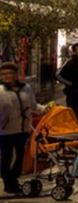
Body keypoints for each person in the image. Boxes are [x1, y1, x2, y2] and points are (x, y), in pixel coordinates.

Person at [0, 62, 49, 194]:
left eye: (8, 73)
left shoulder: (26, 88)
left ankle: (14, 179)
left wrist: (45, 109)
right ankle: (8, 183)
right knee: (7, 157)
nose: (5, 76)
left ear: (15, 74)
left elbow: (33, 106)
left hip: (23, 129)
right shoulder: (0, 90)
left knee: (20, 157)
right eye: (2, 74)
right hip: (5, 130)